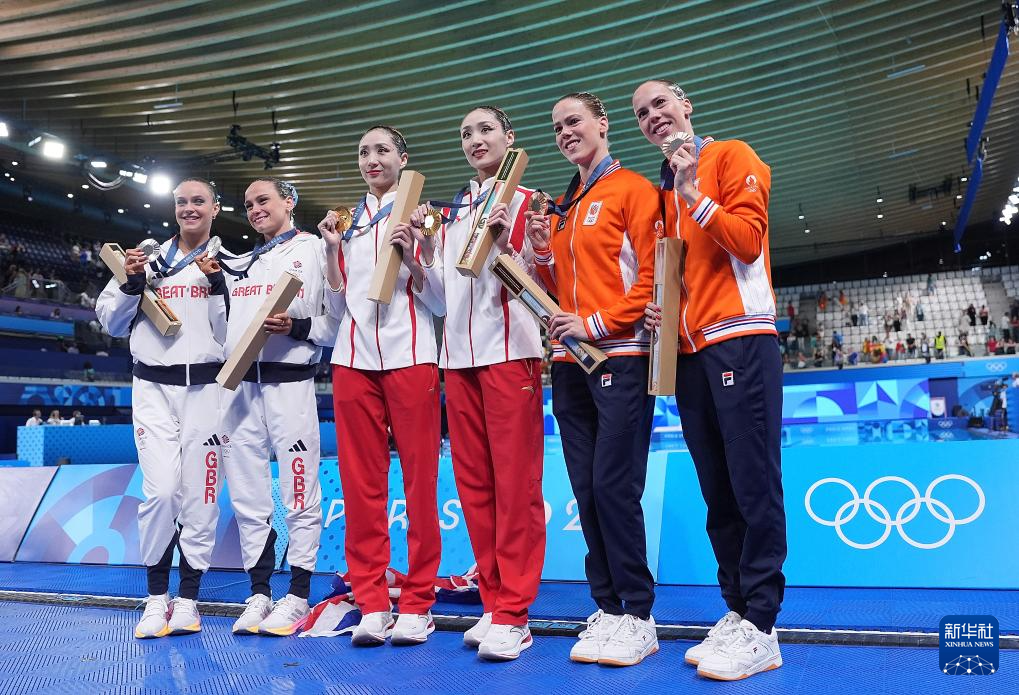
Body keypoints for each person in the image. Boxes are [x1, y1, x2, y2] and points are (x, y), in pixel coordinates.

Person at [634, 79, 785, 681]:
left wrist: (694, 193)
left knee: (753, 484)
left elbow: (747, 243)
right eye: (642, 113)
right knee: (718, 494)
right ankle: (738, 609)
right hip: (690, 353)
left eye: (661, 104)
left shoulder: (730, 156)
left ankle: (763, 625)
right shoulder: (659, 194)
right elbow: (677, 274)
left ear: (686, 104)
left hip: (740, 339)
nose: (653, 116)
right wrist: (660, 310)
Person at [526, 91, 661, 667]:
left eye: (574, 121)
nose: (565, 132)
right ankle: (607, 606)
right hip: (569, 364)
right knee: (586, 489)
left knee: (613, 486)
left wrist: (597, 324)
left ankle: (639, 614)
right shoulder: (563, 205)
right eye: (557, 127)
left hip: (620, 357)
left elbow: (654, 277)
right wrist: (542, 253)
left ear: (602, 124)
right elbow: (561, 289)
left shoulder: (633, 190)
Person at [315, 127, 444, 648]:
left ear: (403, 158)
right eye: (364, 152)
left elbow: (439, 301)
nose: (372, 159)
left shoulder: (425, 216)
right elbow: (336, 309)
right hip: (352, 361)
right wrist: (331, 252)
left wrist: (415, 255)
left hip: (412, 357)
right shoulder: (345, 223)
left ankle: (417, 603)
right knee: (360, 486)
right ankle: (371, 602)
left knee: (420, 484)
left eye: (382, 150)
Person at [430, 107, 545, 660]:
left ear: (509, 138)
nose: (475, 140)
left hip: (510, 355)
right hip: (457, 359)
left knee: (516, 488)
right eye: (466, 133)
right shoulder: (451, 213)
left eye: (485, 130)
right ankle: (495, 602)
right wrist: (416, 258)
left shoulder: (530, 202)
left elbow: (542, 283)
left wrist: (506, 246)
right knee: (475, 487)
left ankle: (516, 613)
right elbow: (438, 297)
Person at [95, 177, 228, 639]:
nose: (189, 208)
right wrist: (131, 285)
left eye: (199, 201)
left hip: (207, 392)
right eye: (182, 202)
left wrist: (216, 284)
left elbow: (231, 335)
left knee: (202, 498)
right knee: (162, 493)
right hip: (152, 388)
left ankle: (188, 599)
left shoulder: (230, 264)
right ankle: (155, 598)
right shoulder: (144, 259)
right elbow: (110, 322)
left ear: (215, 208)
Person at [211, 177, 338, 636]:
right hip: (240, 390)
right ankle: (259, 593)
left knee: (299, 491)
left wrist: (297, 328)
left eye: (263, 200)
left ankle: (298, 595)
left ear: (289, 201)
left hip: (291, 386)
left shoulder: (315, 250)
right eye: (248, 205)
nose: (255, 210)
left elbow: (337, 321)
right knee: (248, 496)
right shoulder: (240, 263)